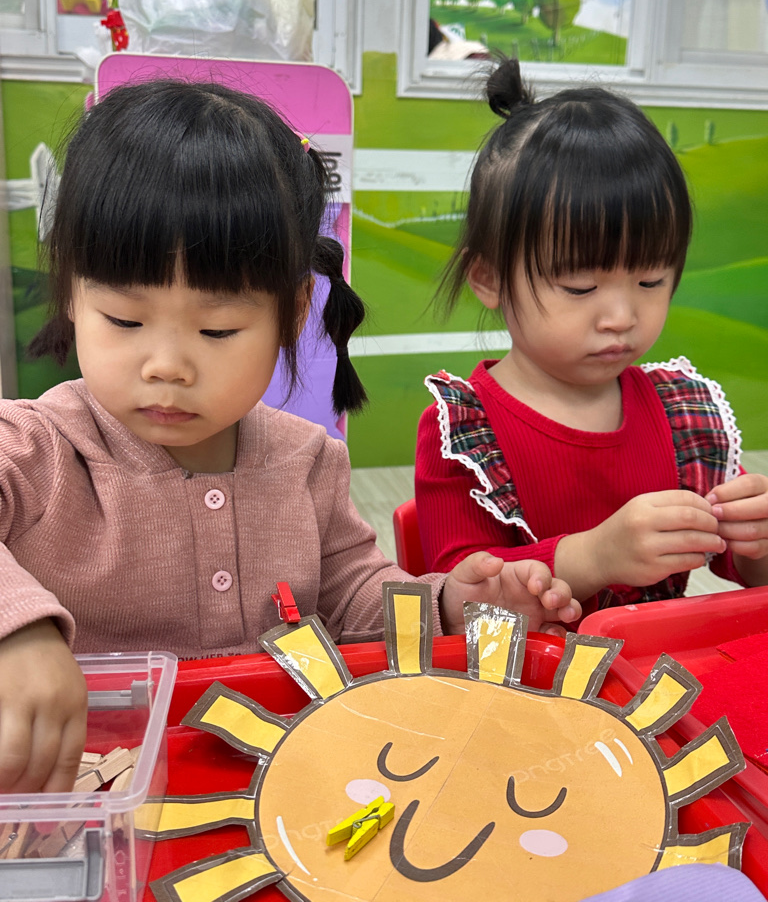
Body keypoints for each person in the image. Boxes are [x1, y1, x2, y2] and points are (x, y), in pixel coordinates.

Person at [0, 79, 580, 797]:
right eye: (124, 320)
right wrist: (18, 630)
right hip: (92, 796)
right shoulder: (39, 449)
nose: (166, 365)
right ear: (71, 294)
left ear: (294, 312)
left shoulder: (307, 463)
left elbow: (353, 597)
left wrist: (447, 607)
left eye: (218, 330)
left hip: (281, 786)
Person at [415, 57, 768, 614]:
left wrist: (755, 542)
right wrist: (595, 557)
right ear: (489, 278)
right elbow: (464, 608)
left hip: (654, 664)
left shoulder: (681, 415)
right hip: (527, 669)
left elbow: (742, 567)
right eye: (580, 286)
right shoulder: (466, 432)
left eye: (650, 280)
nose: (621, 316)